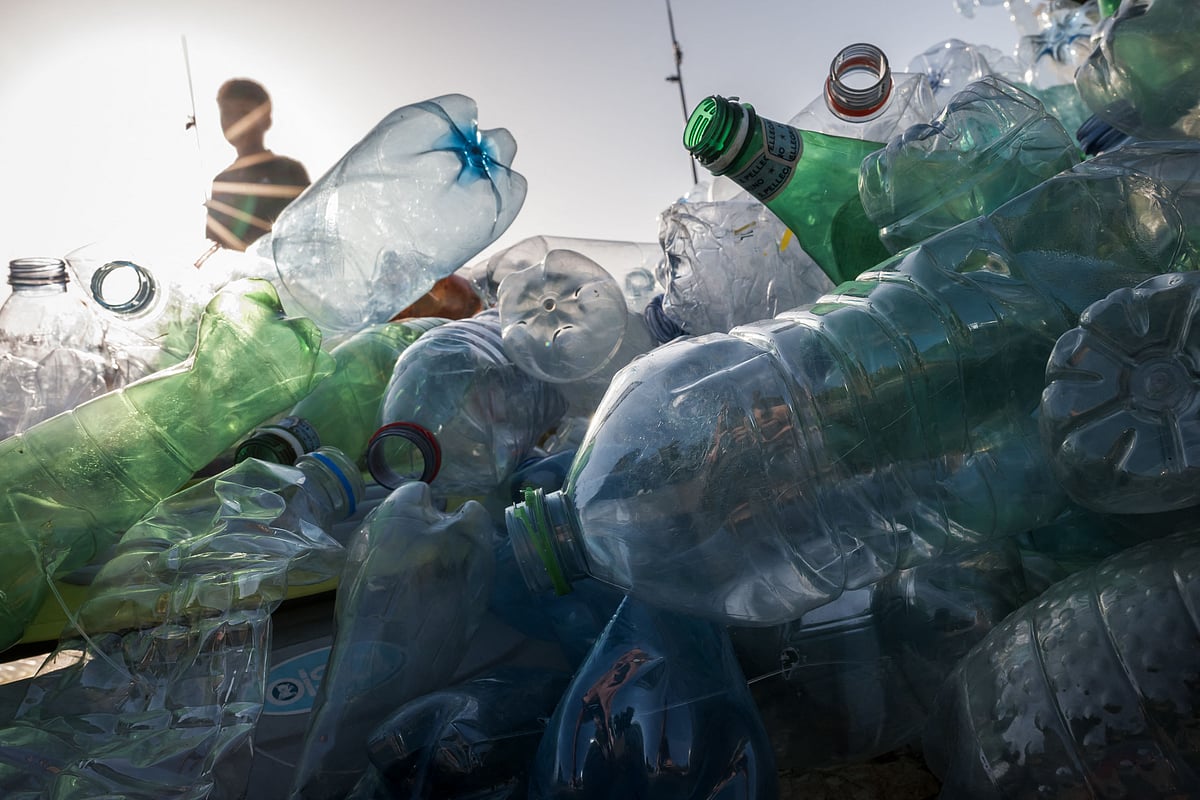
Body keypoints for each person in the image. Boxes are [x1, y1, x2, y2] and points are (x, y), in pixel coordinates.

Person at [204, 78, 310, 251]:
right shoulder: (222, 183)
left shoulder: (289, 170)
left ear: (266, 120)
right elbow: (215, 245)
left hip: (283, 272)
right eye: (227, 113)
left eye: (244, 113)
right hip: (240, 275)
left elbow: (311, 225)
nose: (235, 121)